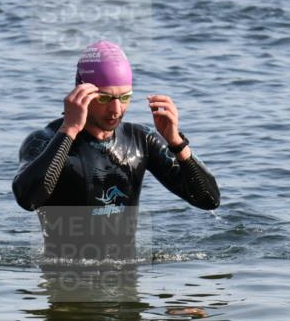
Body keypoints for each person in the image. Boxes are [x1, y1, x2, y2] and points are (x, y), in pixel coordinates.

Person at [12, 41, 220, 220]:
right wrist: (69, 130)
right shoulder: (44, 141)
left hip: (127, 257)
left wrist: (177, 143)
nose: (116, 109)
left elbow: (208, 201)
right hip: (65, 256)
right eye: (104, 98)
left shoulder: (141, 140)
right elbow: (28, 200)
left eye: (125, 97)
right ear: (81, 92)